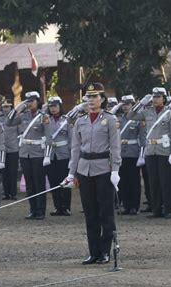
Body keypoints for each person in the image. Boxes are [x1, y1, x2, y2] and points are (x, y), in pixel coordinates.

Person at [62, 82, 121, 265]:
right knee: (90, 212)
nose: (91, 100)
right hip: (84, 169)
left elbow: (115, 146)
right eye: (88, 97)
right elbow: (75, 149)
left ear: (102, 100)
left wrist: (115, 170)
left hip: (103, 169)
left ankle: (104, 252)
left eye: (95, 97)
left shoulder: (110, 119)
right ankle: (93, 252)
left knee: (106, 212)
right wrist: (71, 173)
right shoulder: (80, 121)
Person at [127, 87, 171, 219]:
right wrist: (140, 103)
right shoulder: (147, 112)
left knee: (165, 181)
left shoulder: (169, 113)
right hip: (150, 150)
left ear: (164, 98)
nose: (155, 99)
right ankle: (156, 210)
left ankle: (167, 209)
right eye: (154, 97)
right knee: (153, 182)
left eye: (158, 97)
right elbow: (130, 116)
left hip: (164, 150)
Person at [7, 91, 47, 220]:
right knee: (30, 183)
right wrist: (18, 107)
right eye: (28, 100)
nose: (30, 103)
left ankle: (40, 210)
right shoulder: (24, 115)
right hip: (25, 153)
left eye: (32, 100)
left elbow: (48, 133)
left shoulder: (43, 116)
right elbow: (9, 122)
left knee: (38, 182)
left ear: (38, 101)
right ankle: (33, 209)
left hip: (38, 153)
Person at [43, 96, 72, 216]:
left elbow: (71, 139)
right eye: (51, 106)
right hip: (50, 154)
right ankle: (57, 206)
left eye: (55, 106)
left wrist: (71, 157)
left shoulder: (66, 120)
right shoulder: (45, 119)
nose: (53, 108)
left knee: (64, 181)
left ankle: (66, 207)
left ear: (60, 106)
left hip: (63, 153)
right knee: (53, 181)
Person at [117, 94, 142, 215]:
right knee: (123, 181)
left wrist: (141, 155)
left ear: (133, 105)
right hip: (121, 153)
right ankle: (126, 205)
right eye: (124, 104)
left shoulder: (137, 119)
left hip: (133, 152)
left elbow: (142, 137)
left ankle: (134, 206)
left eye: (128, 104)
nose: (125, 107)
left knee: (134, 181)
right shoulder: (118, 119)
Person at [0, 100, 19, 201]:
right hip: (2, 149)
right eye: (4, 107)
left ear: (11, 107)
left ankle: (13, 193)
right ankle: (6, 193)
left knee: (13, 172)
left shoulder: (16, 118)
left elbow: (20, 133)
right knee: (4, 173)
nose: (6, 109)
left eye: (8, 107)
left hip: (13, 148)